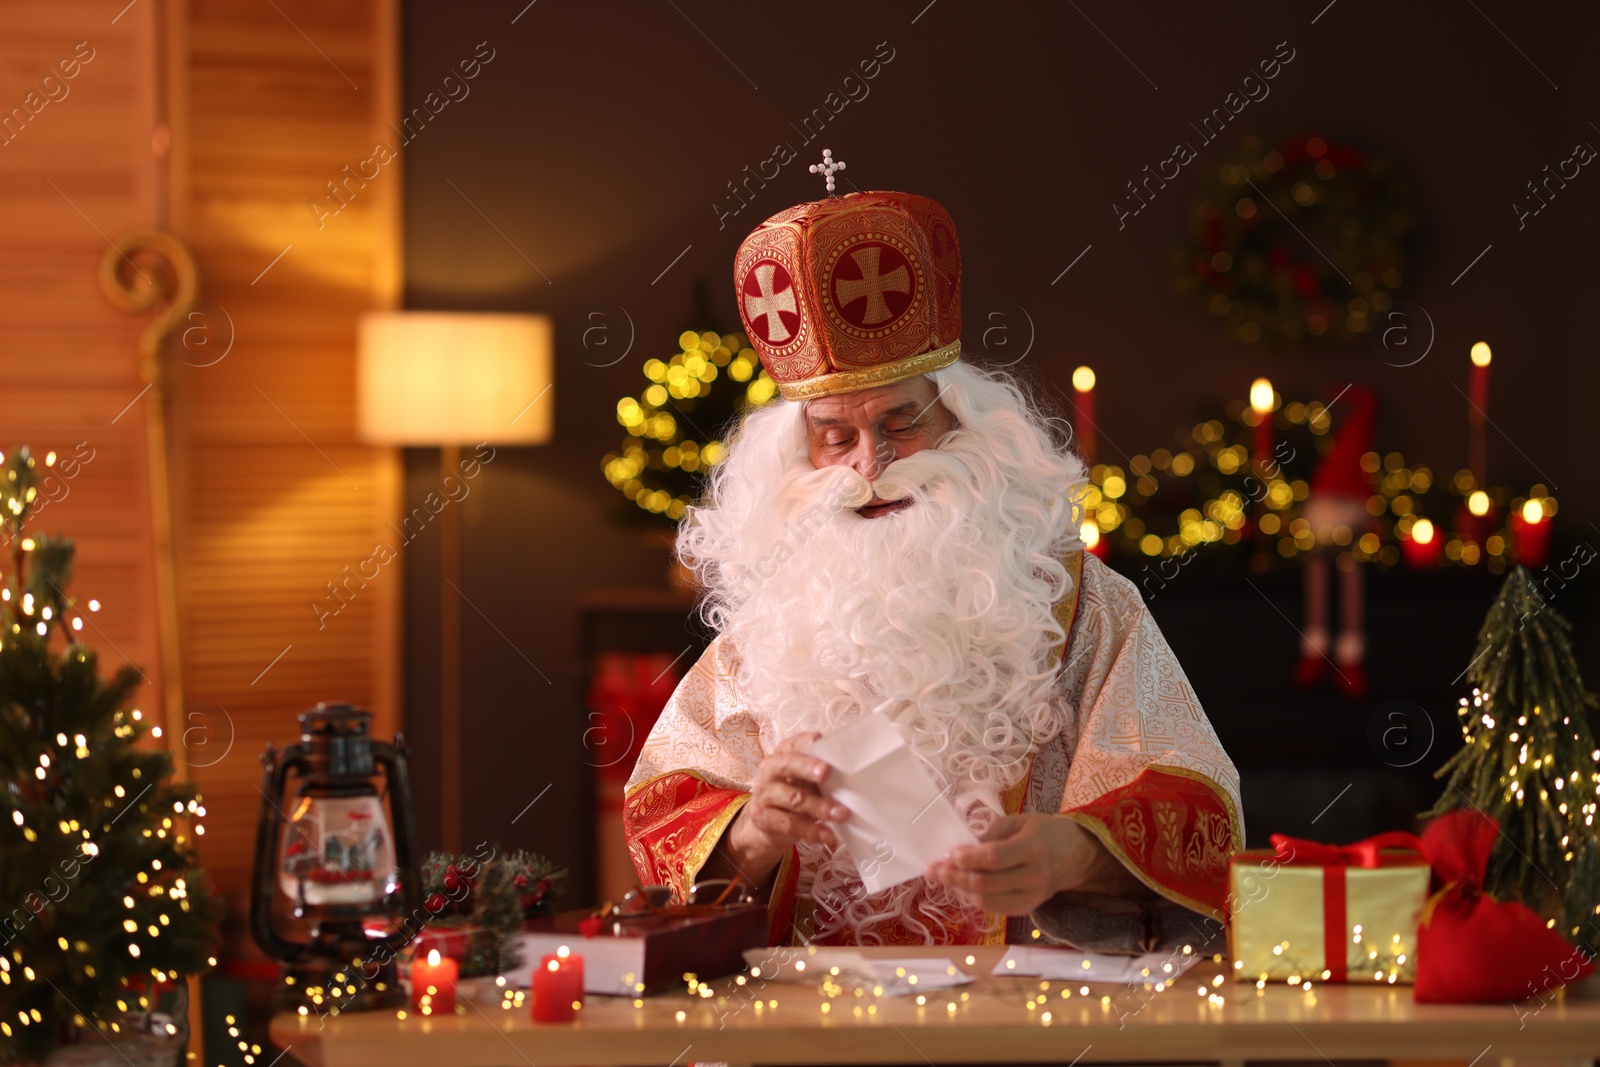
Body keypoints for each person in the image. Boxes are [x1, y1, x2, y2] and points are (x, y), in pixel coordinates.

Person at [623, 178, 1241, 950]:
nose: (869, 463)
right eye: (833, 435)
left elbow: (1203, 812)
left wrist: (1074, 851)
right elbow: (663, 810)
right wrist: (752, 831)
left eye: (901, 421)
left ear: (966, 425)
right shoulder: (775, 622)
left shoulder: (1078, 604)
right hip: (805, 1023)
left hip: (1021, 1024)